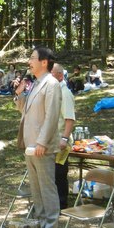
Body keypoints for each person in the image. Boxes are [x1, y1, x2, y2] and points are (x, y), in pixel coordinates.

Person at [14, 46, 62, 228]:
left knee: (47, 188)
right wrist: (19, 94)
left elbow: (51, 116)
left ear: (44, 62)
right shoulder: (34, 83)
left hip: (42, 146)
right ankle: (40, 226)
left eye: (32, 58)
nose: (29, 62)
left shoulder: (51, 84)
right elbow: (23, 110)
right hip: (30, 145)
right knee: (36, 189)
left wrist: (42, 141)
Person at [51, 63, 76, 210]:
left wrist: (64, 139)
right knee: (52, 174)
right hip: (52, 140)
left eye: (52, 73)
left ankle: (62, 204)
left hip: (61, 140)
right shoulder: (54, 91)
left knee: (59, 174)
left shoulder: (65, 93)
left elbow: (69, 119)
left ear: (60, 75)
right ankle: (54, 203)